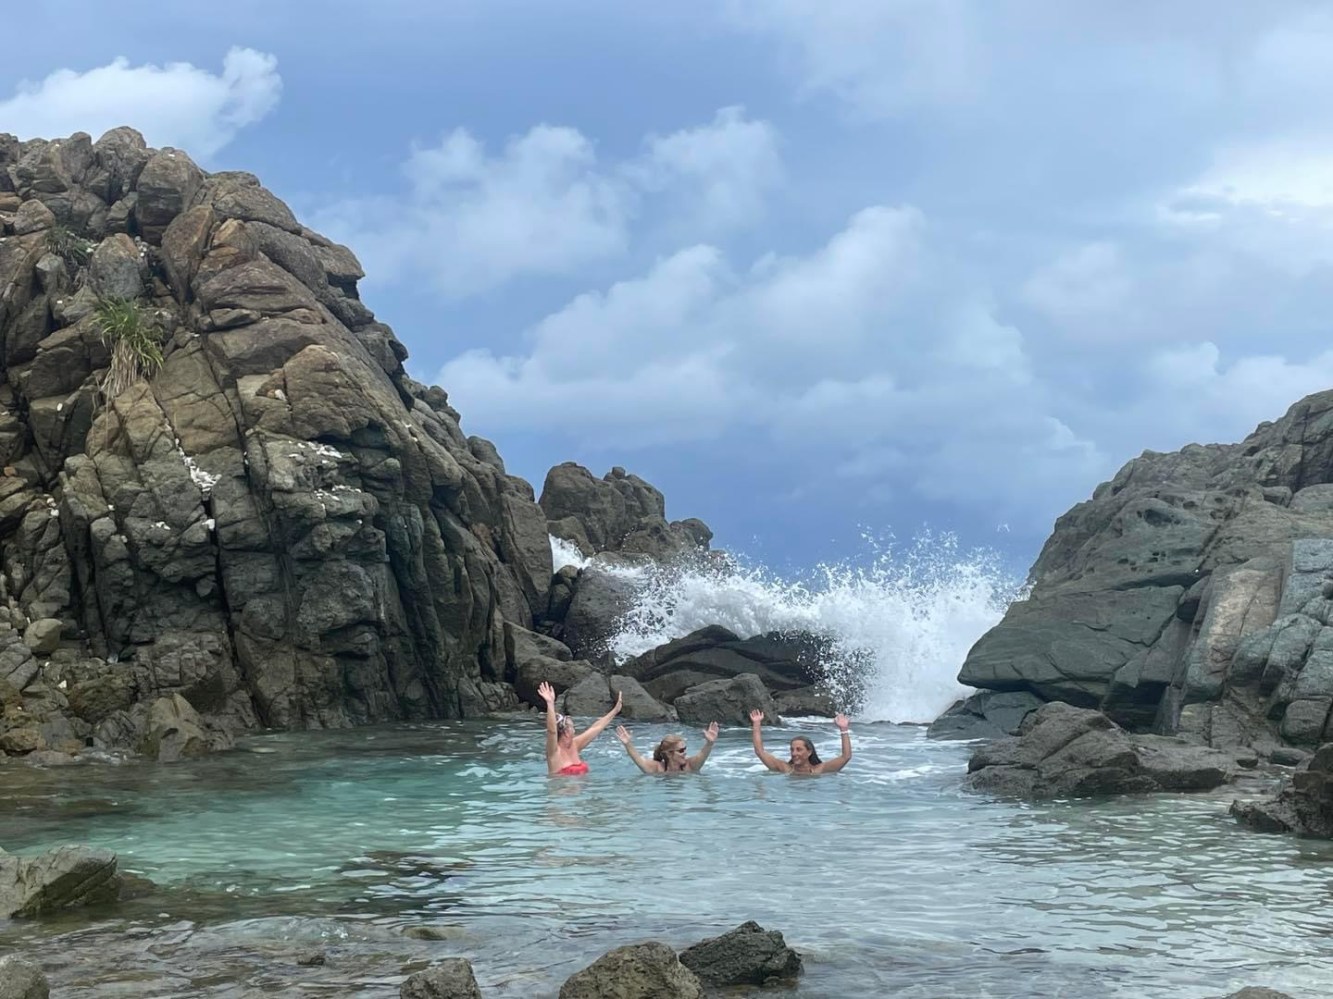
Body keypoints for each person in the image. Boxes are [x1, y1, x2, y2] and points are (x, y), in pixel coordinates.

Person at [538, 681, 622, 777]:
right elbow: (552, 731)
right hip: (560, 791)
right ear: (566, 732)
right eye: (572, 727)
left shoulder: (575, 745)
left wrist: (615, 711)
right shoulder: (554, 752)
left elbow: (596, 727)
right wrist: (550, 704)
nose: (574, 730)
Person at [748, 709, 852, 775]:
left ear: (809, 752)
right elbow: (760, 751)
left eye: (799, 750)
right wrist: (756, 723)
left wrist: (844, 729)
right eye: (792, 750)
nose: (794, 753)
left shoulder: (819, 770)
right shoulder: (785, 769)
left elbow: (845, 757)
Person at [615, 722, 720, 773]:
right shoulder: (656, 768)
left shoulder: (690, 766)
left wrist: (709, 743)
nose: (685, 753)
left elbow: (703, 754)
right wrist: (627, 744)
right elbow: (638, 760)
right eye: (681, 750)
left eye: (685, 749)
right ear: (669, 753)